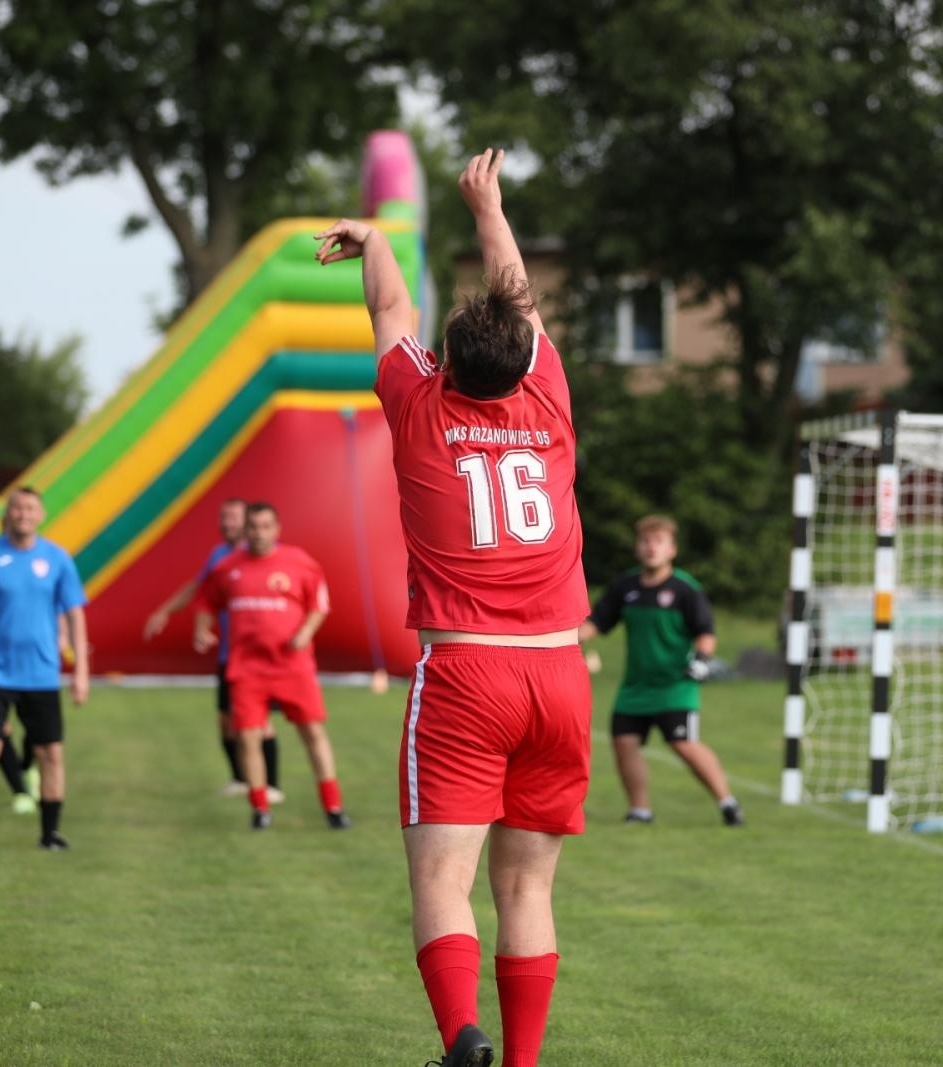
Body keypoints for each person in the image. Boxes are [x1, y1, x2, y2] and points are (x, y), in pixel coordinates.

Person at [316, 147, 592, 1067]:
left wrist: (375, 239)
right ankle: (519, 1063)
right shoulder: (546, 403)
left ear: (449, 360)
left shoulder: (419, 404)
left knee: (442, 875)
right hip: (560, 671)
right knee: (528, 888)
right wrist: (489, 206)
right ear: (524, 358)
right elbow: (518, 294)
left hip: (468, 669)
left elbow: (391, 307)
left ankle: (459, 1041)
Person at [579, 515, 744, 827]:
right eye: (644, 541)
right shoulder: (625, 586)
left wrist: (700, 659)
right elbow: (597, 624)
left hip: (675, 686)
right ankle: (640, 811)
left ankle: (728, 803)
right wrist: (564, 638)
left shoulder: (684, 589)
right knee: (624, 743)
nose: (650, 547)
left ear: (672, 549)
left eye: (658, 542)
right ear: (636, 548)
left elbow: (706, 632)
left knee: (683, 745)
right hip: (635, 687)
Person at [193, 502, 349, 831]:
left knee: (313, 732)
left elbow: (319, 605)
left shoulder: (300, 563)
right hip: (247, 668)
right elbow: (206, 600)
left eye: (266, 527)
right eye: (253, 527)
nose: (259, 533)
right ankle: (260, 809)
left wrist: (304, 632)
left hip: (293, 665)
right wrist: (201, 629)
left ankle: (333, 807)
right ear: (244, 530)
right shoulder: (228, 567)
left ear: (276, 530)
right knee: (248, 738)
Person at [0, 486, 89, 851]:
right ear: (8, 514)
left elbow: (75, 613)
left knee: (50, 754)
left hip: (41, 673)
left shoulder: (58, 559)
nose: (23, 514)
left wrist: (80, 672)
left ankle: (50, 834)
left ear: (41, 515)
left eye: (30, 508)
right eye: (16, 507)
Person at [144, 497, 283, 804]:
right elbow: (200, 590)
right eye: (223, 518)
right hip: (228, 654)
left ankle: (271, 785)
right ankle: (240, 778)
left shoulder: (261, 557)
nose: (227, 524)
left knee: (260, 721)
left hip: (258, 657)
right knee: (226, 720)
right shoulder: (219, 555)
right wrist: (166, 612)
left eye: (233, 518)